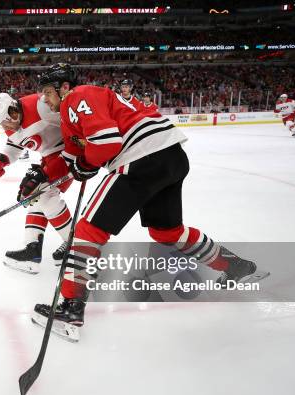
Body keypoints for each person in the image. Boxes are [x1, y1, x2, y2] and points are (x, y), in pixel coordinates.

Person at [25, 63, 265, 340]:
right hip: (170, 157)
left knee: (87, 232)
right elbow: (70, 158)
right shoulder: (70, 117)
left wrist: (86, 163)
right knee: (167, 231)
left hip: (140, 158)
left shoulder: (77, 96)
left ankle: (69, 309)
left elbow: (106, 145)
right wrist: (42, 175)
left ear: (63, 87)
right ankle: (236, 266)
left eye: (47, 92)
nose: (44, 99)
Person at [0, 92, 73, 274]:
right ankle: (32, 249)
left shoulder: (41, 105)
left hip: (69, 154)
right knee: (35, 195)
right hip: (50, 158)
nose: (4, 126)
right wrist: (2, 159)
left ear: (13, 110)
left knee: (46, 196)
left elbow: (72, 116)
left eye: (4, 121)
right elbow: (16, 142)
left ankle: (76, 246)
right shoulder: (11, 124)